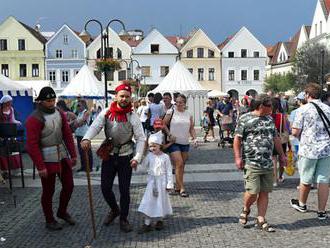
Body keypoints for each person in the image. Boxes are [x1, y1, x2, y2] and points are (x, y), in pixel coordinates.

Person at [80, 83, 145, 232]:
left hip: (126, 156)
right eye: (121, 96)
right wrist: (86, 138)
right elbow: (96, 126)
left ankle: (123, 218)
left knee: (124, 190)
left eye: (127, 97)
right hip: (108, 155)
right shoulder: (107, 112)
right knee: (105, 188)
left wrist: (137, 157)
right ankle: (115, 209)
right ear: (116, 97)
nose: (124, 99)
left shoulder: (133, 116)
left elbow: (141, 138)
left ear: (130, 98)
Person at [25, 87, 77, 231]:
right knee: (49, 191)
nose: (52, 103)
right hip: (46, 158)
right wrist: (40, 166)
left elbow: (66, 134)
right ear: (40, 101)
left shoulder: (59, 113)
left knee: (69, 185)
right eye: (48, 101)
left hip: (62, 155)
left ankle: (62, 211)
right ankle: (49, 219)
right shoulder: (34, 119)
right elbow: (32, 145)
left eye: (53, 100)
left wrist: (73, 155)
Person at [234, 94, 286, 232]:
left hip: (267, 162)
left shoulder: (269, 119)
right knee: (252, 191)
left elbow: (275, 138)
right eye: (270, 105)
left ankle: (261, 218)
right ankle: (246, 209)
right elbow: (237, 140)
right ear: (261, 106)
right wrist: (238, 158)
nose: (272, 108)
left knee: (264, 192)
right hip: (251, 162)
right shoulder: (245, 118)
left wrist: (282, 155)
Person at [290, 83, 330, 220]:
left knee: (306, 178)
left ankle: (302, 204)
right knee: (324, 180)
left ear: (307, 95)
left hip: (308, 149)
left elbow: (295, 132)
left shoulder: (303, 109)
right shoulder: (328, 109)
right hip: (326, 149)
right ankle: (321, 211)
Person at [137, 131, 173, 234]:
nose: (152, 148)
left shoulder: (165, 157)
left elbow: (169, 171)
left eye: (154, 146)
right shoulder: (149, 156)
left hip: (162, 183)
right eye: (150, 146)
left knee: (160, 201)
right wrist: (136, 166)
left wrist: (169, 184)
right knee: (149, 201)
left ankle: (159, 220)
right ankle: (147, 223)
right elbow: (143, 167)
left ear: (160, 145)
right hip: (151, 183)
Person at [163, 94, 197, 198]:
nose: (178, 104)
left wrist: (194, 138)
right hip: (173, 142)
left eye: (180, 102)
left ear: (185, 103)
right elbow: (163, 124)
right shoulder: (171, 112)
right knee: (179, 163)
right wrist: (169, 134)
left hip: (185, 143)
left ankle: (177, 187)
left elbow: (191, 128)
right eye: (177, 102)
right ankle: (182, 188)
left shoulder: (189, 114)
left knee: (181, 166)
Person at [0, 95, 22, 174]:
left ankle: (12, 170)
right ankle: (4, 170)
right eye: (9, 102)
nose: (10, 104)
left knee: (11, 150)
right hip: (2, 132)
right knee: (3, 151)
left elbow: (12, 120)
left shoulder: (11, 109)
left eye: (10, 102)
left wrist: (18, 122)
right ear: (4, 103)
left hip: (9, 131)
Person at [271, 97, 289, 186]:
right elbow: (285, 130)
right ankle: (280, 176)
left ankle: (274, 180)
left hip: (272, 139)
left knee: (273, 159)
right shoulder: (282, 116)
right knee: (282, 158)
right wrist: (288, 141)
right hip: (281, 139)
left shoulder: (268, 116)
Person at [74, 99, 93, 172]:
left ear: (83, 105)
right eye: (77, 105)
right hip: (79, 134)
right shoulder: (79, 113)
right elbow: (77, 123)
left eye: (79, 105)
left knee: (87, 151)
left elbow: (82, 122)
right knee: (81, 152)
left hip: (85, 135)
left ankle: (89, 167)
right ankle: (83, 166)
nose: (77, 107)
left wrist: (77, 123)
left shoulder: (86, 112)